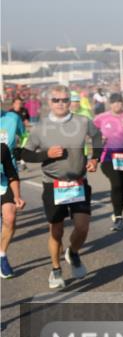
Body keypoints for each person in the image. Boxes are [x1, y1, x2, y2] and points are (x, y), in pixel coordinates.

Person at [21, 85, 102, 289]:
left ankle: (72, 253)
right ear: (49, 103)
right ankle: (56, 270)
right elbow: (26, 154)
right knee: (56, 231)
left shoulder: (82, 122)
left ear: (70, 101)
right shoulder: (40, 128)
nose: (61, 103)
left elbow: (98, 137)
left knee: (83, 228)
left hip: (78, 182)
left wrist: (95, 159)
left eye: (64, 100)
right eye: (56, 100)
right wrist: (46, 155)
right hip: (53, 185)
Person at [93, 93, 123, 230]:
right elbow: (90, 130)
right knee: (117, 183)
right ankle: (118, 217)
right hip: (107, 156)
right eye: (114, 102)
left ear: (122, 103)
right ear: (110, 104)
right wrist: (98, 137)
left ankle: (117, 212)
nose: (116, 105)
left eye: (119, 102)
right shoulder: (102, 118)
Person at [0, 141, 26, 279]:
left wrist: (17, 196)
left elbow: (11, 173)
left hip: (2, 186)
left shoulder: (2, 148)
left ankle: (1, 255)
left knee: (9, 218)